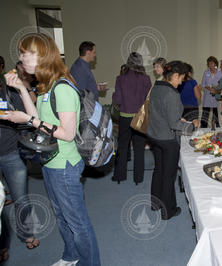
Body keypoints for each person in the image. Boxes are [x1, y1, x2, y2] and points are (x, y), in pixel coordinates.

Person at [3, 33, 100, 266]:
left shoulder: (63, 88)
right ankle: (71, 256)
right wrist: (22, 90)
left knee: (77, 221)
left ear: (42, 55)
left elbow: (66, 133)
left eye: (26, 53)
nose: (21, 57)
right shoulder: (46, 85)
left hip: (65, 165)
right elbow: (37, 117)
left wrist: (26, 118)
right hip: (51, 162)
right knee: (62, 216)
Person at [147, 61, 200, 220]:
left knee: (158, 170)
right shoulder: (172, 94)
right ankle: (168, 210)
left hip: (153, 135)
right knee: (168, 176)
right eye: (181, 79)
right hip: (167, 139)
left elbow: (160, 112)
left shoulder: (156, 86)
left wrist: (178, 120)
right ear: (175, 76)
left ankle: (155, 203)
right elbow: (174, 124)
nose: (181, 82)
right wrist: (192, 125)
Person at [0, 56, 39, 251]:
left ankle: (27, 233)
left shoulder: (9, 90)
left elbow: (28, 116)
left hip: (11, 152)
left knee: (21, 198)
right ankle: (2, 244)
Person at [112, 52, 151, 185]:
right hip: (140, 119)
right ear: (140, 62)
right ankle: (138, 179)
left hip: (125, 117)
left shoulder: (120, 79)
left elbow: (117, 100)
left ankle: (119, 176)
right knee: (139, 149)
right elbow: (148, 100)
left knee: (122, 147)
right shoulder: (146, 79)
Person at [200, 56, 222, 128]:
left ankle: (217, 129)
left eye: (212, 63)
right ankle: (203, 129)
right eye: (209, 63)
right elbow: (203, 84)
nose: (210, 65)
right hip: (207, 96)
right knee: (205, 115)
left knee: (216, 115)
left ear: (215, 64)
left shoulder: (221, 72)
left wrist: (216, 88)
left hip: (217, 97)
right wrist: (210, 87)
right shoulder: (206, 72)